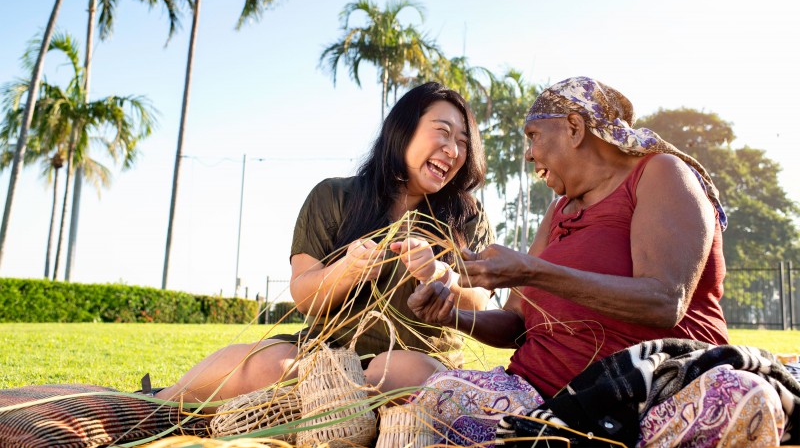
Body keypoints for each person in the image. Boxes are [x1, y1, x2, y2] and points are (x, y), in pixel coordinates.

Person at [399, 77, 792, 446]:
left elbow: (665, 301)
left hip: (650, 397)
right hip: (540, 398)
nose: (528, 152)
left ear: (574, 127)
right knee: (441, 397)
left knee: (741, 400)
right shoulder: (557, 213)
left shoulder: (660, 174)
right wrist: (453, 317)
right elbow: (516, 325)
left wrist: (531, 270)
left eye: (534, 136)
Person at [154, 82, 494, 405]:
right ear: (403, 129)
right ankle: (153, 405)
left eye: (464, 142)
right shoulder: (335, 196)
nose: (453, 150)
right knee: (264, 366)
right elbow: (304, 296)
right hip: (325, 355)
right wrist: (347, 270)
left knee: (392, 372)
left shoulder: (467, 216)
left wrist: (438, 275)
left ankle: (329, 409)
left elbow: (479, 301)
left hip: (420, 360)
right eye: (443, 132)